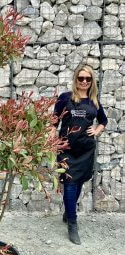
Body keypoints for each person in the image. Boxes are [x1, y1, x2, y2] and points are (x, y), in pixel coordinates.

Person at [52, 65, 108, 245]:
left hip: (85, 149)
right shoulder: (65, 98)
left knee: (78, 183)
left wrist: (97, 130)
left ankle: (68, 214)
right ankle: (73, 224)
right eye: (81, 78)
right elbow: (54, 121)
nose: (84, 82)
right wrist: (52, 138)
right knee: (69, 183)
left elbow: (103, 121)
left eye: (88, 79)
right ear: (76, 79)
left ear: (92, 82)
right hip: (66, 147)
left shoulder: (94, 101)